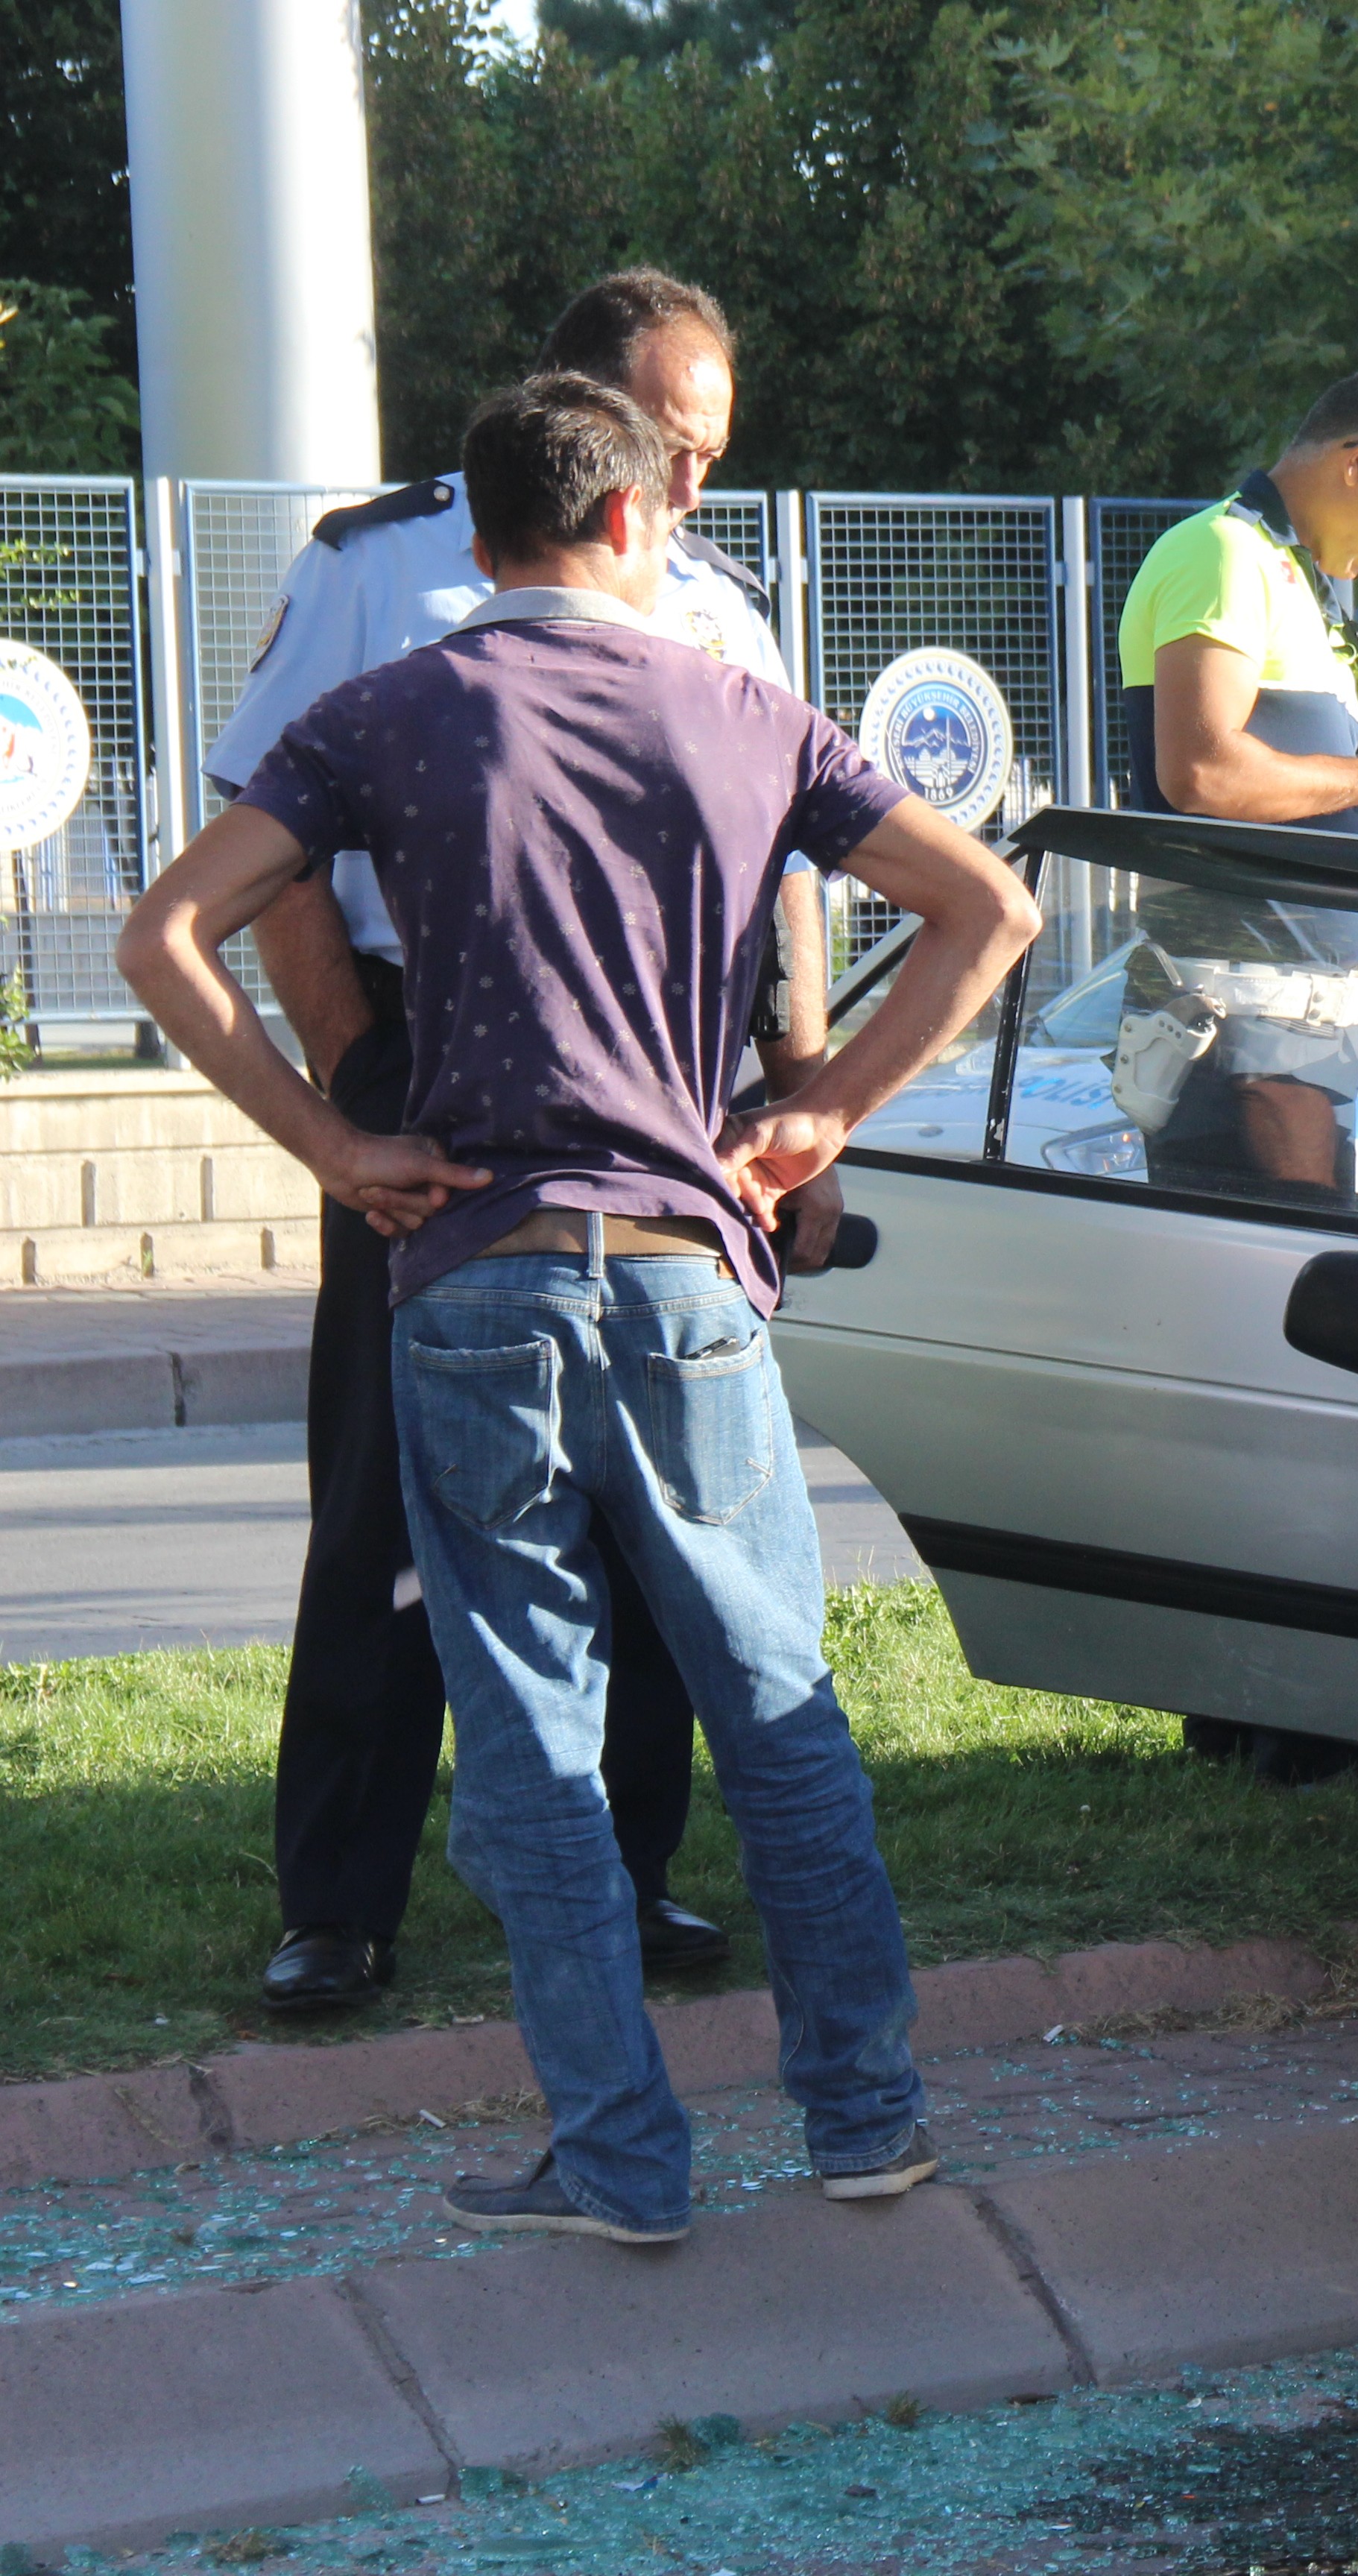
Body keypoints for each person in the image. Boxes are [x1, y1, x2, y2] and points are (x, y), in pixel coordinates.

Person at [120, 373, 1040, 2242]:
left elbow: (165, 935)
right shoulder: (742, 710)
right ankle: (865, 2117)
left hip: (467, 1272)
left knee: (530, 1734)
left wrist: (325, 1139)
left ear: (473, 538)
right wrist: (822, 1109)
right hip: (688, 1269)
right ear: (637, 520)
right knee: (777, 1700)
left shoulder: (380, 712)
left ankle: (619, 2158)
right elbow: (988, 912)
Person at [209, 270, 832, 2012]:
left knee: (646, 1499)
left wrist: (805, 1085)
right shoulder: (381, 565)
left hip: (674, 1084)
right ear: (580, 409)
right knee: (391, 1499)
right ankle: (341, 1897)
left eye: (716, 457)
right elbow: (256, 846)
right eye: (674, 449)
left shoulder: (720, 602)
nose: (696, 495)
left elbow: (786, 867)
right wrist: (351, 1072)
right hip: (436, 1067)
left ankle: (621, 1872)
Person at [1108, 364, 1358, 1199]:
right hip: (1242, 1038)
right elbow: (1200, 774)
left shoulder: (1305, 582)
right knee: (1274, 1306)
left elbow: (1302, 826)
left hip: (1295, 1043)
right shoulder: (1223, 553)